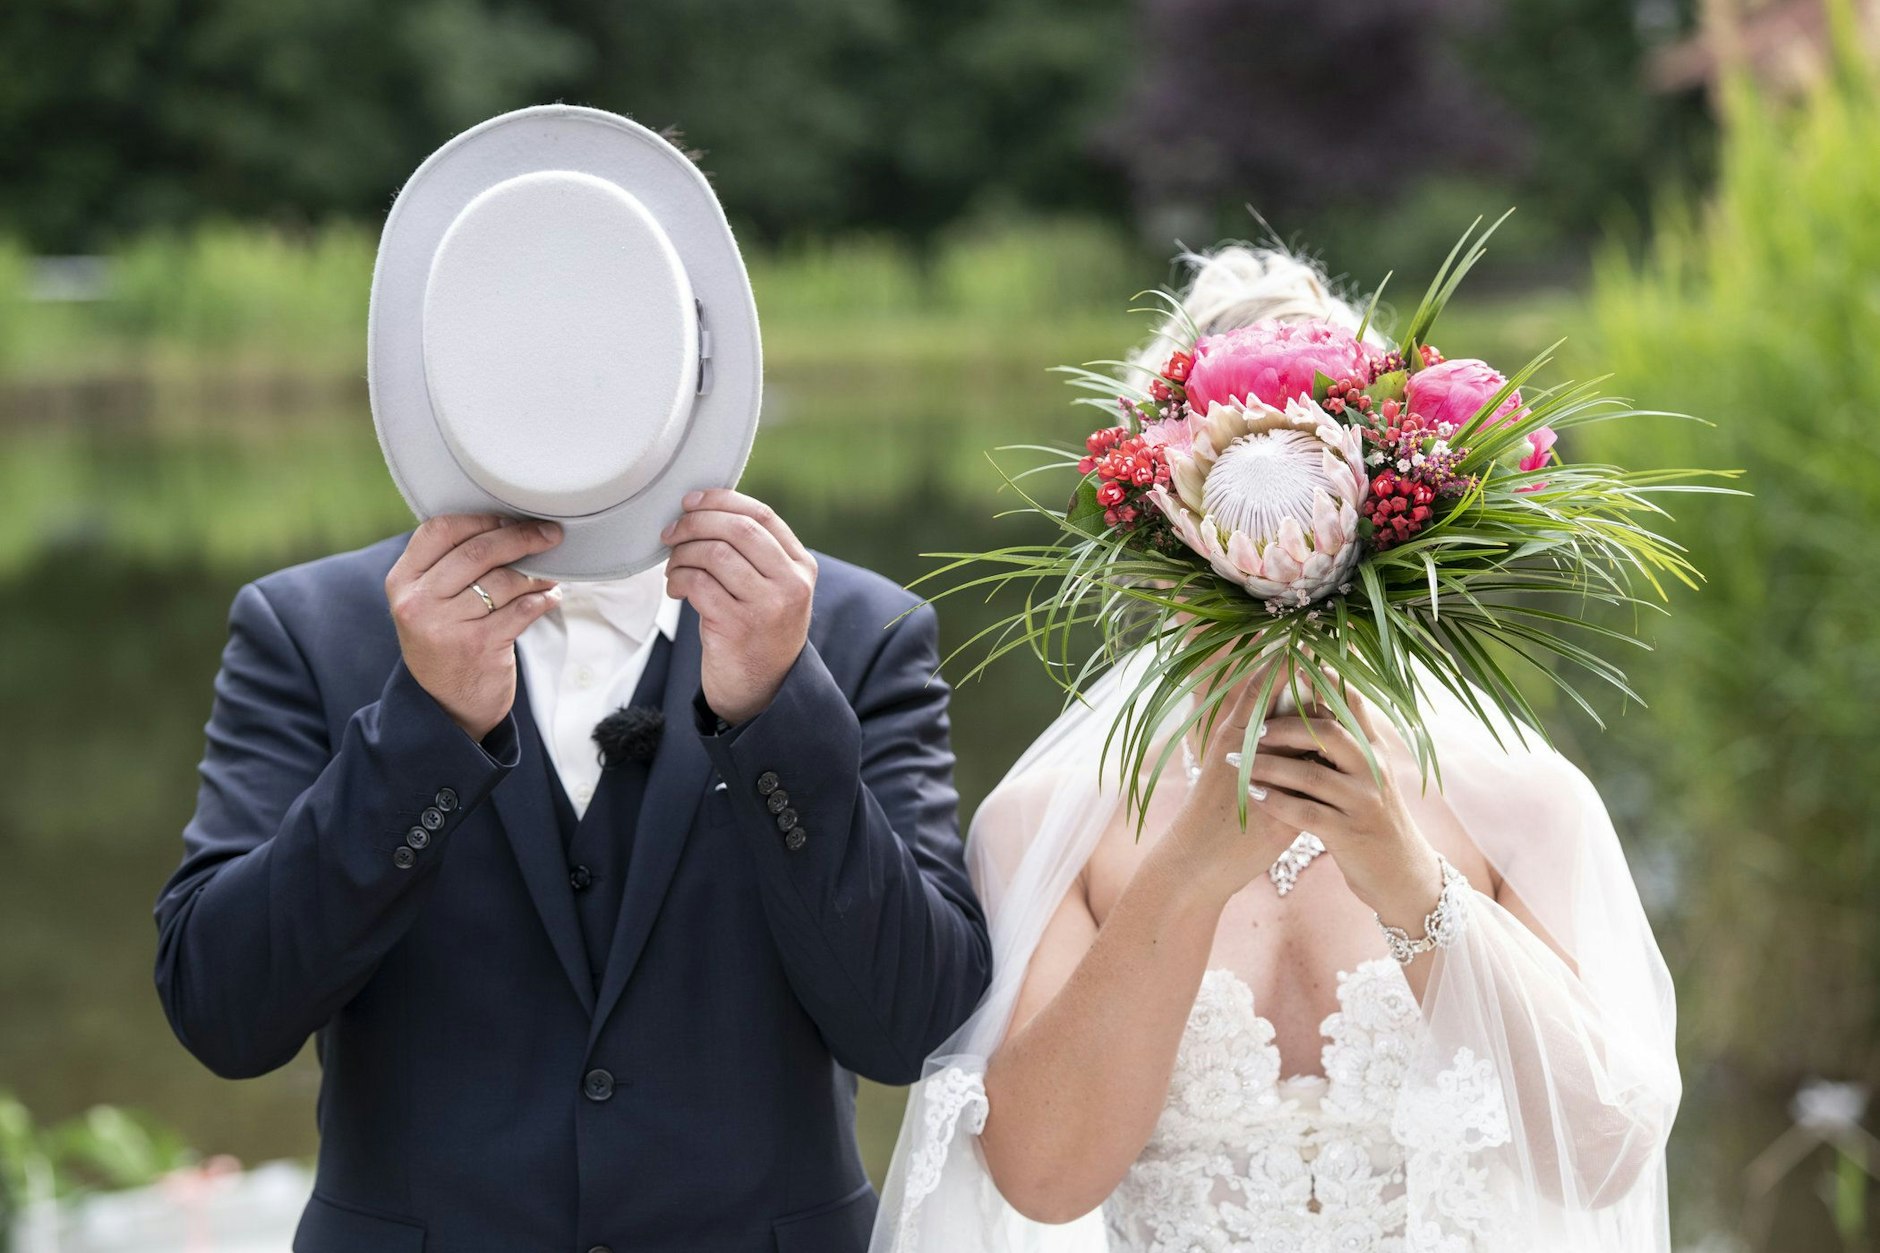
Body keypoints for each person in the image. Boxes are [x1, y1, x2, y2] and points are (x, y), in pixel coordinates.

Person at [871, 249, 1682, 1252]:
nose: (1272, 601)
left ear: (1385, 535)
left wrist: (1410, 885)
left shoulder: (1516, 801)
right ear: (1159, 546)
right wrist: (1180, 877)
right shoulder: (1049, 821)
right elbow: (1041, 1181)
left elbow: (1599, 1162)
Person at [154, 489, 991, 1252]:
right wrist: (425, 730)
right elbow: (225, 1011)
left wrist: (779, 705)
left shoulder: (857, 626)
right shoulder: (307, 624)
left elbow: (915, 1031)